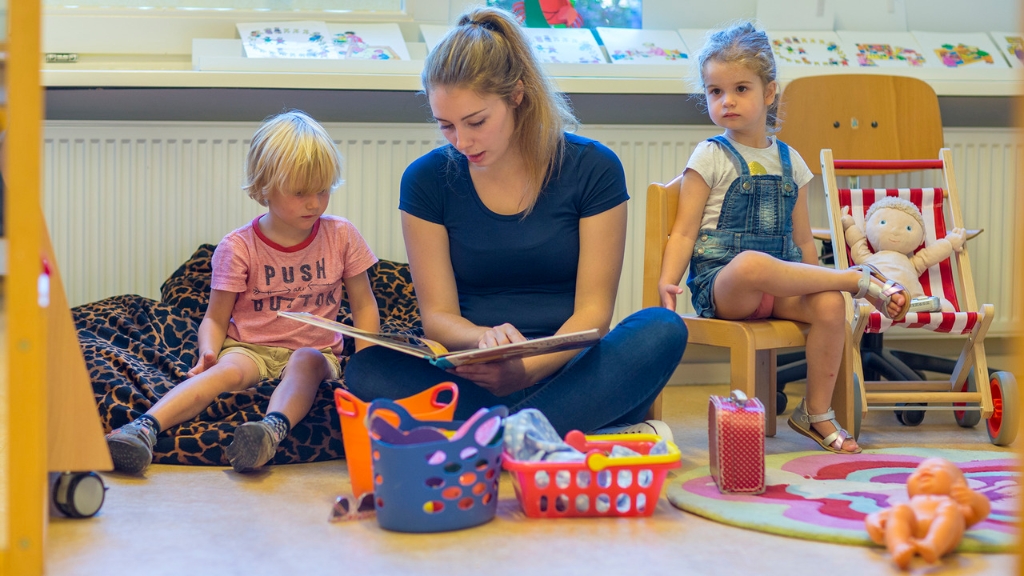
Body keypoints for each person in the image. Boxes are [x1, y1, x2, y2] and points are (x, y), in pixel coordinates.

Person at [344, 6, 688, 439]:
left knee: (661, 329)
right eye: (446, 126)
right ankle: (540, 430)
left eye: (476, 122)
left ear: (517, 95)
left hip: (570, 367)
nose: (462, 141)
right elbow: (439, 318)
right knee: (368, 368)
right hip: (478, 377)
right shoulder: (426, 180)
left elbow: (593, 315)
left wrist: (525, 370)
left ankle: (498, 434)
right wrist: (483, 342)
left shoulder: (593, 167)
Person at [657, 22, 912, 454]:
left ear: (770, 92)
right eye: (715, 92)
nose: (727, 101)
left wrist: (815, 285)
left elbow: (803, 243)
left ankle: (815, 414)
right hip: (726, 285)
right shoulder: (710, 155)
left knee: (831, 302)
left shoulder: (791, 160)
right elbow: (684, 230)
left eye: (740, 88)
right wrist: (667, 280)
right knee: (753, 264)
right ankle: (855, 279)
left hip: (781, 287)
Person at [106, 110, 381, 474]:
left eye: (323, 190)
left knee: (306, 362)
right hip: (250, 348)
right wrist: (208, 353)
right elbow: (215, 318)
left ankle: (269, 432)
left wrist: (368, 362)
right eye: (300, 193)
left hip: (315, 350)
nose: (315, 203)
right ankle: (142, 429)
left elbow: (364, 305)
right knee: (224, 374)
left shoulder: (342, 235)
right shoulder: (238, 247)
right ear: (264, 187)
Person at [865, 458, 991, 569]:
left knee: (949, 508)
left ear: (958, 484)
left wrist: (974, 499)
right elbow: (881, 516)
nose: (924, 471)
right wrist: (874, 522)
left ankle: (933, 545)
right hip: (911, 527)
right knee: (899, 509)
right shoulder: (911, 505)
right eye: (918, 471)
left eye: (937, 467)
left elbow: (981, 512)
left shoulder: (952, 504)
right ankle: (899, 547)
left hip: (944, 536)